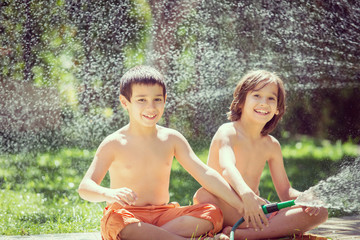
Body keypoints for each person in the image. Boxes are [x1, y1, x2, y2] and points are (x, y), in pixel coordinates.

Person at [78, 65, 245, 240]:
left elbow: (204, 173)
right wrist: (109, 193)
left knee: (212, 213)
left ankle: (152, 236)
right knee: (116, 222)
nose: (151, 107)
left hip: (163, 216)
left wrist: (240, 204)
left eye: (157, 99)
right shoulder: (114, 143)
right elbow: (85, 188)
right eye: (141, 100)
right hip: (128, 215)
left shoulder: (171, 139)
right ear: (125, 102)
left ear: (165, 99)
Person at [193, 70, 328, 240]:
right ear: (241, 102)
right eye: (257, 95)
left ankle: (244, 234)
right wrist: (246, 195)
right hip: (224, 207)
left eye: (271, 98)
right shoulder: (228, 132)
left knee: (320, 211)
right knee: (204, 196)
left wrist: (304, 198)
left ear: (278, 109)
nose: (264, 103)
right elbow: (227, 168)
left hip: (254, 213)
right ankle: (260, 233)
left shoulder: (271, 145)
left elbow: (285, 191)